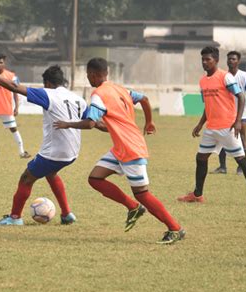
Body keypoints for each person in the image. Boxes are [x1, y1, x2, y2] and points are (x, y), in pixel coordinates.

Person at [54, 58, 185, 244]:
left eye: (88, 75)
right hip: (121, 148)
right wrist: (149, 121)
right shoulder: (120, 89)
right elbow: (145, 99)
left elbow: (91, 123)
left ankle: (175, 228)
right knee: (95, 178)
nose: (88, 78)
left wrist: (68, 124)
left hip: (130, 147)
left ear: (94, 74)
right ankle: (133, 207)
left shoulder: (98, 94)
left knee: (143, 194)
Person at [0, 62, 87, 225]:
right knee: (51, 173)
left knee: (26, 178)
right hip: (72, 152)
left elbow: (13, 87)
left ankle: (15, 218)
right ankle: (67, 214)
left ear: (47, 83)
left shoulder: (48, 94)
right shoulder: (78, 98)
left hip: (55, 152)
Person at [178, 46, 246, 207]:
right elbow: (208, 105)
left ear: (215, 60)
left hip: (227, 127)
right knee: (201, 158)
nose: (205, 62)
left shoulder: (226, 77)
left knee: (240, 159)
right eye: (203, 59)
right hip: (211, 129)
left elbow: (241, 97)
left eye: (208, 59)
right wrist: (200, 124)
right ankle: (197, 195)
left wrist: (237, 121)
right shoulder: (203, 81)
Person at [212, 51, 246, 175]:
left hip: (241, 113)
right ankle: (222, 167)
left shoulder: (244, 76)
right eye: (229, 59)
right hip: (226, 113)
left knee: (242, 137)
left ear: (238, 61)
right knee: (222, 137)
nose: (230, 61)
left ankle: (241, 168)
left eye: (233, 59)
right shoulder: (223, 76)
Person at [0, 54, 30, 159]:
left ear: (4, 63)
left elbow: (16, 92)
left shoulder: (12, 76)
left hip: (6, 109)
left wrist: (16, 107)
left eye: (1, 62)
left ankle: (21, 152)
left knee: (13, 129)